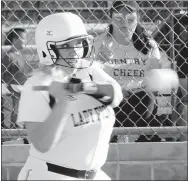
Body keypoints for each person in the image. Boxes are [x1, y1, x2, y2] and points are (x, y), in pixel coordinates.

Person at [17, 12, 123, 180]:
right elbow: (42, 143)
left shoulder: (89, 71)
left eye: (79, 43)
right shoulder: (36, 85)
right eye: (66, 46)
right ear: (48, 48)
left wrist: (82, 87)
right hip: (50, 174)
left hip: (94, 175)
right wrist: (61, 105)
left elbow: (116, 97)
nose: (75, 51)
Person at [94, 1, 163, 142]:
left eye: (130, 19)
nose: (124, 23)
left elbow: (154, 81)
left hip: (139, 97)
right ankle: (129, 136)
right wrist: (98, 60)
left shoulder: (149, 45)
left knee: (146, 98)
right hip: (110, 96)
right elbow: (90, 77)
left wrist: (139, 89)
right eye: (119, 18)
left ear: (138, 19)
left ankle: (119, 136)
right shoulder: (99, 43)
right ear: (110, 19)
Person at [2, 28, 27, 129]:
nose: (25, 41)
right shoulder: (8, 56)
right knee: (15, 118)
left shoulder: (20, 55)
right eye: (23, 38)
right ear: (14, 40)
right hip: (12, 94)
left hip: (21, 92)